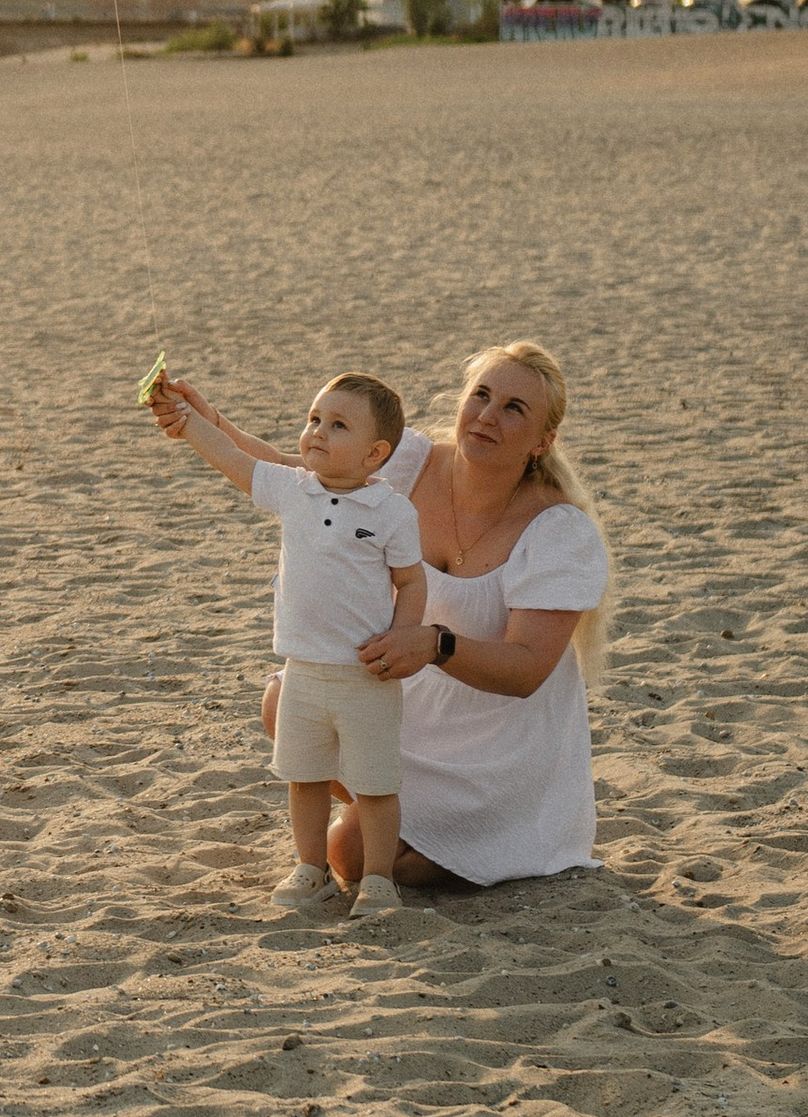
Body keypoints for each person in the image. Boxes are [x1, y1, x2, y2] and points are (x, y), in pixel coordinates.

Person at [149, 343, 611, 891]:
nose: (488, 416)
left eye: (514, 408)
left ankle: (440, 829)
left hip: (498, 750)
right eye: (481, 395)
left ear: (542, 441)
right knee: (284, 698)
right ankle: (384, 808)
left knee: (349, 855)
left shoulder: (559, 530)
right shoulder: (409, 462)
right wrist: (208, 422)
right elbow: (301, 476)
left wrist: (435, 644)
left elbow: (526, 670)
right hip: (410, 705)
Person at [164, 372, 428, 923]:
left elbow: (411, 582)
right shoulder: (293, 489)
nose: (317, 432)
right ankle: (311, 868)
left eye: (338, 425)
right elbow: (232, 458)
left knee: (375, 786)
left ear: (375, 453)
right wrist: (188, 421)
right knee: (305, 777)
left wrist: (402, 637)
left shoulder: (393, 512)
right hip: (301, 670)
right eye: (314, 419)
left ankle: (379, 880)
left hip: (366, 675)